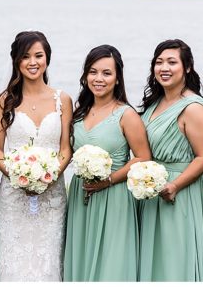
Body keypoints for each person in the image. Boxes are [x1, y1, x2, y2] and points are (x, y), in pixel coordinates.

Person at [63, 45, 152, 281]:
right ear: (85, 76)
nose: (98, 79)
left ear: (117, 78)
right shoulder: (79, 113)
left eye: (106, 73)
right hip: (81, 199)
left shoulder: (126, 115)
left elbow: (144, 158)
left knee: (111, 267)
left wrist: (109, 180)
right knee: (82, 260)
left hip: (114, 199)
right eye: (93, 72)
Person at [0, 31, 72, 281]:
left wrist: (48, 176)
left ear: (47, 58)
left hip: (52, 197)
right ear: (16, 60)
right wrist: (16, 175)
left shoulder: (63, 100)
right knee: (13, 259)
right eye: (25, 56)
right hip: (13, 196)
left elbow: (65, 150)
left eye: (39, 55)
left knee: (49, 258)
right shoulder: (4, 100)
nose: (32, 62)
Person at [138, 39, 203, 281]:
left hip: (180, 193)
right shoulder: (155, 102)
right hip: (151, 192)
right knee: (154, 263)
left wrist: (175, 185)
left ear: (187, 67)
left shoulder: (193, 107)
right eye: (159, 62)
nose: (164, 68)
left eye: (172, 62)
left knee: (175, 262)